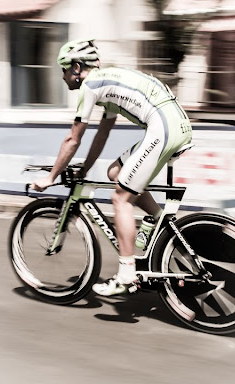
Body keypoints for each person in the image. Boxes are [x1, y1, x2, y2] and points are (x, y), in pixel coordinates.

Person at [30, 38, 192, 296]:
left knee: (120, 199)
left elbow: (73, 138)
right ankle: (158, 220)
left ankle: (126, 274)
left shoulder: (90, 86)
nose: (62, 77)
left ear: (75, 67)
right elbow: (102, 134)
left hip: (164, 127)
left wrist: (51, 177)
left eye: (63, 69)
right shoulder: (107, 84)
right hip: (173, 124)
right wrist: (84, 170)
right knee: (115, 173)